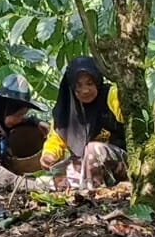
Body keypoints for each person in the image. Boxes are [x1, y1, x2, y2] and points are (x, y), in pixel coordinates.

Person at [40, 56, 128, 189]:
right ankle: (81, 184)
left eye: (89, 83)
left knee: (93, 149)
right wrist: (48, 155)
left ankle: (92, 191)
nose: (85, 90)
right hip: (88, 166)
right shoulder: (67, 109)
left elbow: (126, 114)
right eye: (78, 85)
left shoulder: (111, 95)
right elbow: (56, 138)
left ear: (97, 81)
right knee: (53, 176)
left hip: (121, 162)